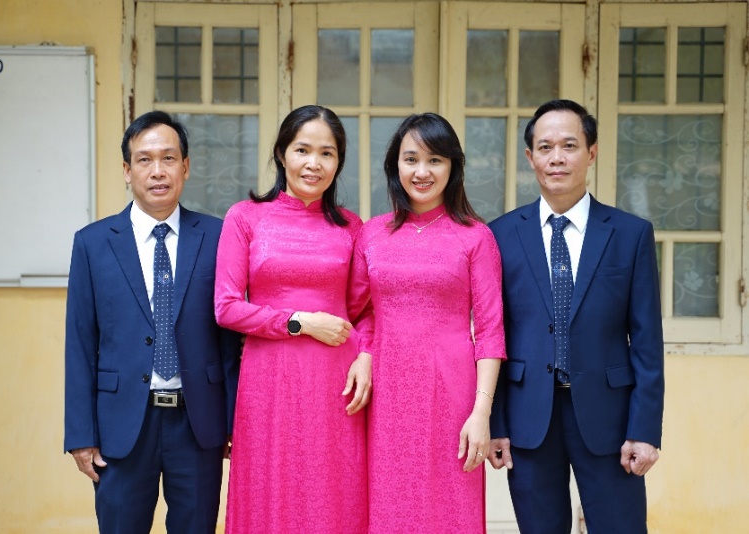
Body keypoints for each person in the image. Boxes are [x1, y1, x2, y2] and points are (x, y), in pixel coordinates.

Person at [487, 99, 664, 533]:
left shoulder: (630, 234)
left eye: (569, 145)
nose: (557, 158)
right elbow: (494, 333)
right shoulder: (500, 235)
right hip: (529, 418)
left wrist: (645, 429)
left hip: (611, 419)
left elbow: (646, 342)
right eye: (545, 147)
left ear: (592, 152)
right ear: (530, 157)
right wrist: (496, 422)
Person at [64, 110, 241, 533]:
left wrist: (235, 420)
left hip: (198, 423)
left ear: (186, 167)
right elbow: (80, 343)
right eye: (144, 160)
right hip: (121, 424)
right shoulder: (93, 243)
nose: (157, 171)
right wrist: (81, 435)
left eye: (168, 158)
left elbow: (231, 338)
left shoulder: (218, 237)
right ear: (127, 171)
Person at [214, 105, 372, 533]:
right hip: (269, 379)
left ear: (338, 162)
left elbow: (366, 310)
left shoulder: (352, 227)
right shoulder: (245, 217)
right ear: (282, 153)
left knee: (331, 491)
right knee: (272, 488)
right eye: (303, 150)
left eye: (327, 153)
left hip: (336, 382)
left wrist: (366, 357)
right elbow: (226, 307)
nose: (313, 164)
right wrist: (299, 321)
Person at [351, 113, 506, 532]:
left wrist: (481, 412)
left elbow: (490, 331)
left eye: (435, 160)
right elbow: (360, 312)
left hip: (452, 393)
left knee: (449, 504)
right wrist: (364, 354)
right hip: (385, 393)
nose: (422, 172)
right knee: (388, 503)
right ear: (395, 165)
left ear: (453, 166)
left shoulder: (475, 236)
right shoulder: (371, 233)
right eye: (411, 159)